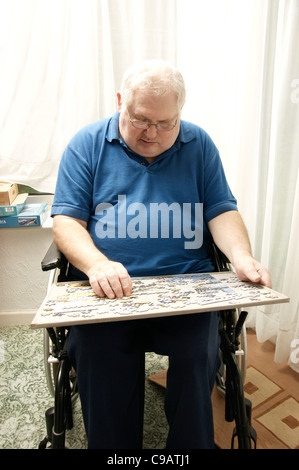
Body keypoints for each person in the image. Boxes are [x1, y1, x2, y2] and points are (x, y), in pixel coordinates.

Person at [51, 60, 271, 449]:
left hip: (188, 289)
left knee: (197, 352)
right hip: (110, 292)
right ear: (121, 102)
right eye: (141, 120)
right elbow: (67, 222)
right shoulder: (86, 143)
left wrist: (241, 256)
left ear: (179, 116)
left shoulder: (198, 143)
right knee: (97, 356)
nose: (152, 133)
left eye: (166, 123)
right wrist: (96, 264)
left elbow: (221, 210)